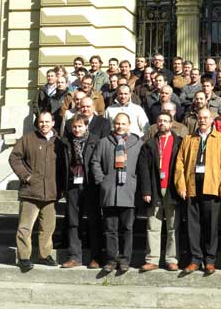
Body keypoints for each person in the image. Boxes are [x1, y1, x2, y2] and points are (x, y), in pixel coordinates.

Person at [175, 108, 221, 275]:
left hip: (212, 187)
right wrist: (181, 186)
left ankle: (210, 260)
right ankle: (195, 259)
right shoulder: (188, 139)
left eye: (206, 118)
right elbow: (179, 164)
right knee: (193, 226)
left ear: (212, 120)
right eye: (200, 118)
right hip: (192, 187)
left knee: (211, 225)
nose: (203, 120)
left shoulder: (220, 139)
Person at [9, 111, 65, 272]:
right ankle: (24, 258)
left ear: (53, 123)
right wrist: (26, 176)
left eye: (47, 122)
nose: (44, 125)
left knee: (47, 227)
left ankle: (45, 255)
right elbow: (14, 158)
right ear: (37, 123)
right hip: (30, 192)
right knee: (25, 227)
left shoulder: (59, 142)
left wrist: (60, 187)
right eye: (41, 122)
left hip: (50, 193)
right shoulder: (27, 139)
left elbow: (63, 167)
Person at [91, 113, 143, 272]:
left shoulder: (138, 143)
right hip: (110, 192)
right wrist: (102, 180)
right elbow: (95, 162)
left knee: (127, 229)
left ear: (129, 125)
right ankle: (111, 260)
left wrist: (137, 183)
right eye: (118, 124)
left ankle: (125, 260)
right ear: (114, 124)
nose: (120, 127)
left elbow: (143, 167)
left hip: (129, 192)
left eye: (123, 124)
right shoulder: (104, 142)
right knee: (110, 229)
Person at [139, 111, 183, 272]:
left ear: (171, 124)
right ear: (156, 124)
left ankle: (172, 259)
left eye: (165, 121)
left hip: (172, 189)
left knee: (173, 227)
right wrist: (146, 190)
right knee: (153, 226)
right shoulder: (149, 144)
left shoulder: (179, 142)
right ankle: (152, 259)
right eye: (160, 121)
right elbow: (143, 169)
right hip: (154, 189)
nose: (162, 123)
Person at [60, 114, 102, 269]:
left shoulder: (96, 141)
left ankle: (95, 257)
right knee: (73, 222)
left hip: (91, 185)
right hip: (73, 185)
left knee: (94, 221)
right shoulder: (65, 142)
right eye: (74, 127)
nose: (77, 129)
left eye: (80, 126)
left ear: (86, 126)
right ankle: (74, 257)